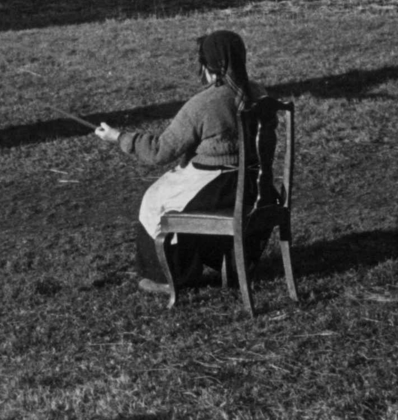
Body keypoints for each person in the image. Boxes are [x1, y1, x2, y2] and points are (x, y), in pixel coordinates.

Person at [95, 30, 271, 296]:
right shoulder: (259, 93)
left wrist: (118, 137)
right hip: (256, 187)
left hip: (218, 187)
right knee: (172, 192)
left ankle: (169, 277)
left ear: (207, 64)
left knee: (155, 199)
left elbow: (159, 151)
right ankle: (234, 264)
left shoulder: (204, 103)